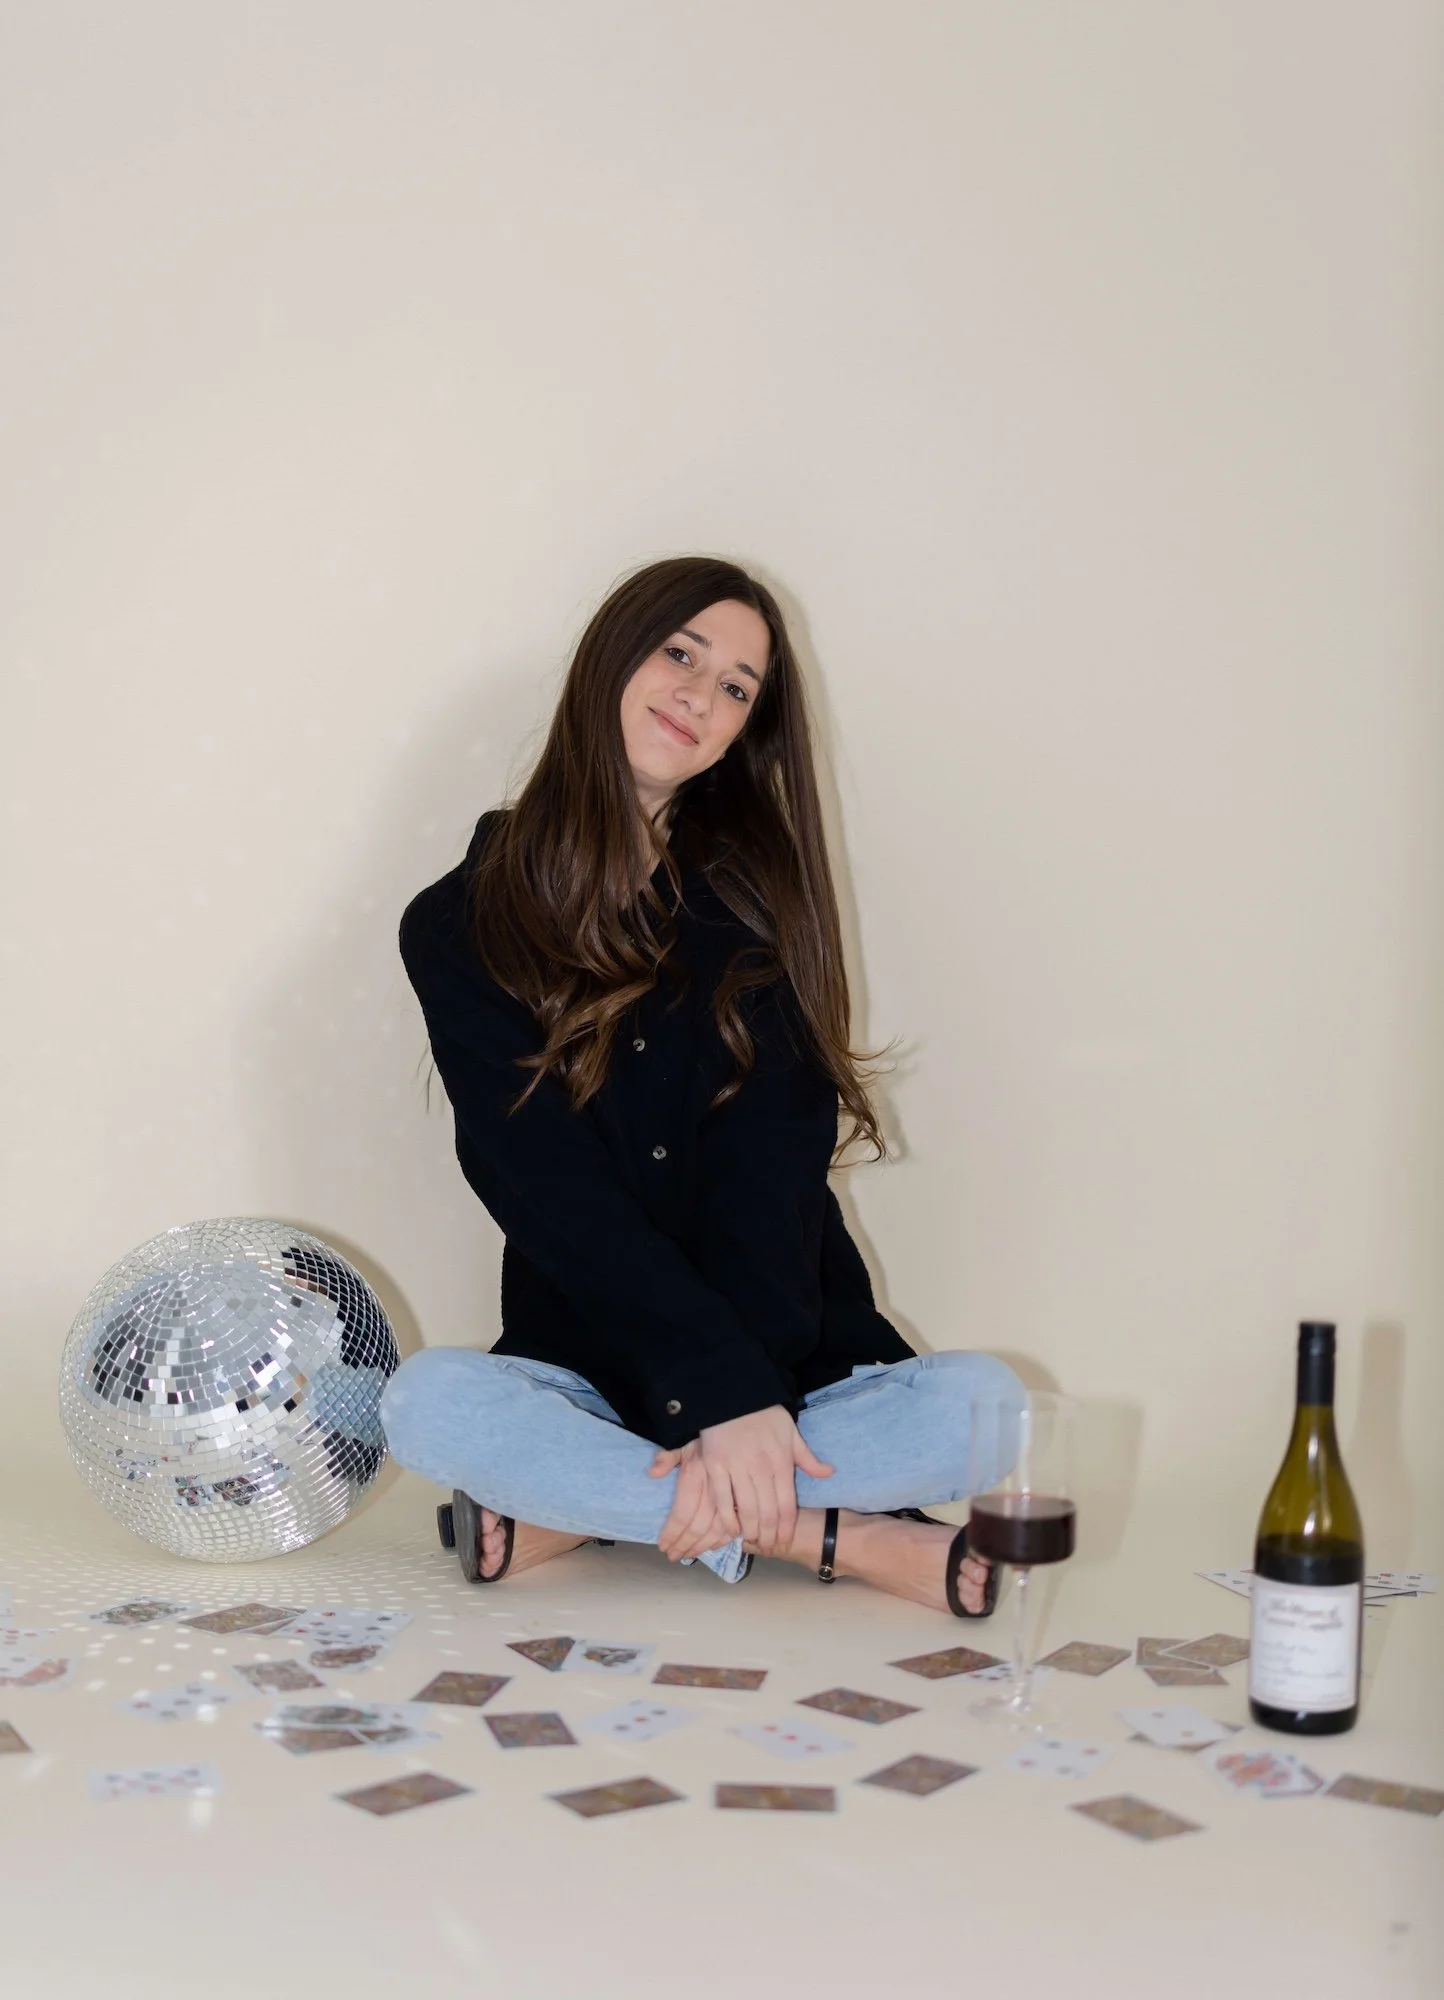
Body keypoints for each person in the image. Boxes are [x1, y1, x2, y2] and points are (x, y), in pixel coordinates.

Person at [379, 555, 1023, 1617]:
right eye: (679, 652)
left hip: (790, 1362)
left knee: (985, 1410)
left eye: (734, 687)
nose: (698, 693)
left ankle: (584, 1509)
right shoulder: (457, 922)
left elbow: (770, 1173)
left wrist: (739, 1396)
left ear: (742, 734)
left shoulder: (757, 905)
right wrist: (712, 1400)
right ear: (610, 657)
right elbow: (539, 1183)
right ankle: (829, 1536)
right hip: (584, 1371)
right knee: (422, 1405)